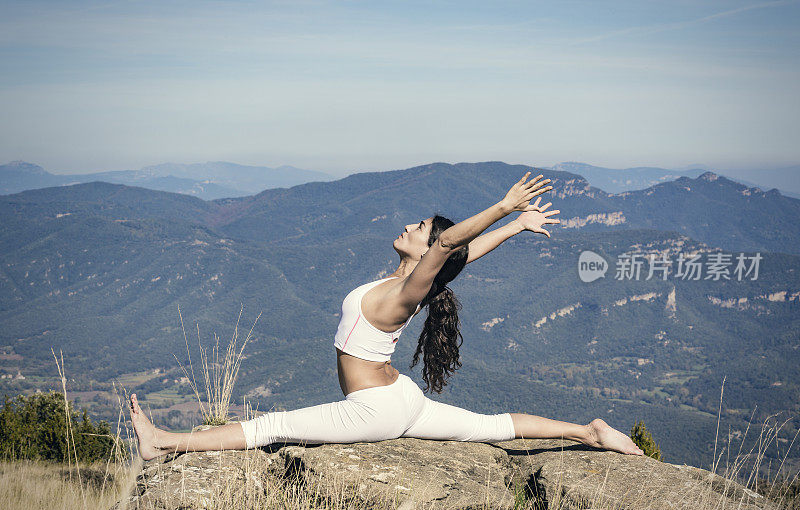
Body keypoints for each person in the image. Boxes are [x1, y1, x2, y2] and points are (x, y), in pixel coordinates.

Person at [130, 172, 644, 459]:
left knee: (273, 427)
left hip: (375, 408)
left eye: (418, 227)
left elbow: (450, 245)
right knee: (492, 427)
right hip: (401, 398)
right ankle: (588, 432)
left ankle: (167, 442)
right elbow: (462, 255)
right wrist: (513, 229)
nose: (408, 225)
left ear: (428, 251)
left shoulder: (409, 290)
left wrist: (504, 208)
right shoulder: (407, 285)